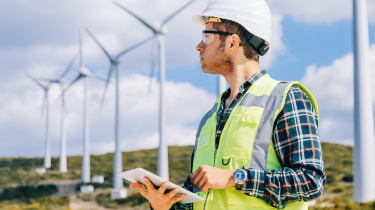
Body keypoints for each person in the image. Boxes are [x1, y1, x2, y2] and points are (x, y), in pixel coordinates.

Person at [130, 0, 326, 209]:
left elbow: (310, 182)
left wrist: (236, 177)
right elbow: (201, 197)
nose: (199, 46)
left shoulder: (285, 98)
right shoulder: (209, 118)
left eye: (207, 36)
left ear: (233, 42)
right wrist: (164, 204)